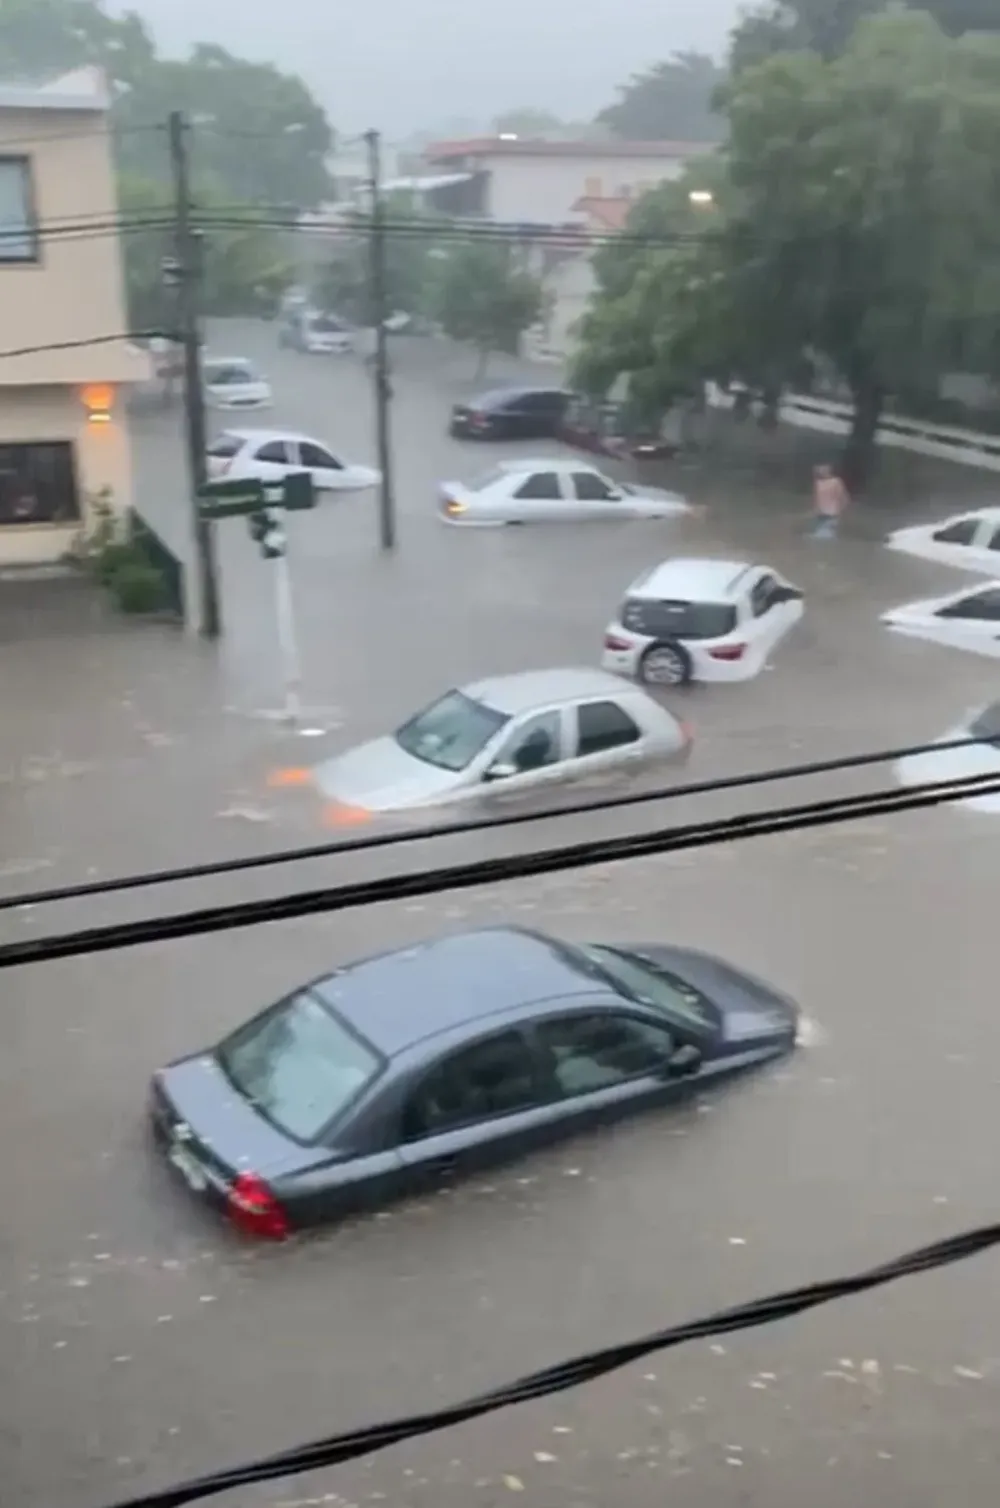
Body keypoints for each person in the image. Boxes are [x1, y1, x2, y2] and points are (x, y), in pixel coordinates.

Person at [810, 462, 850, 539]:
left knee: (827, 537)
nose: (820, 471)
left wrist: (841, 510)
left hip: (832, 514)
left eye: (823, 469)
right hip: (820, 514)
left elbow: (843, 497)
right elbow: (816, 498)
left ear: (828, 470)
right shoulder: (818, 482)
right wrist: (815, 509)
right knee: (818, 537)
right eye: (819, 469)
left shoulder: (836, 481)